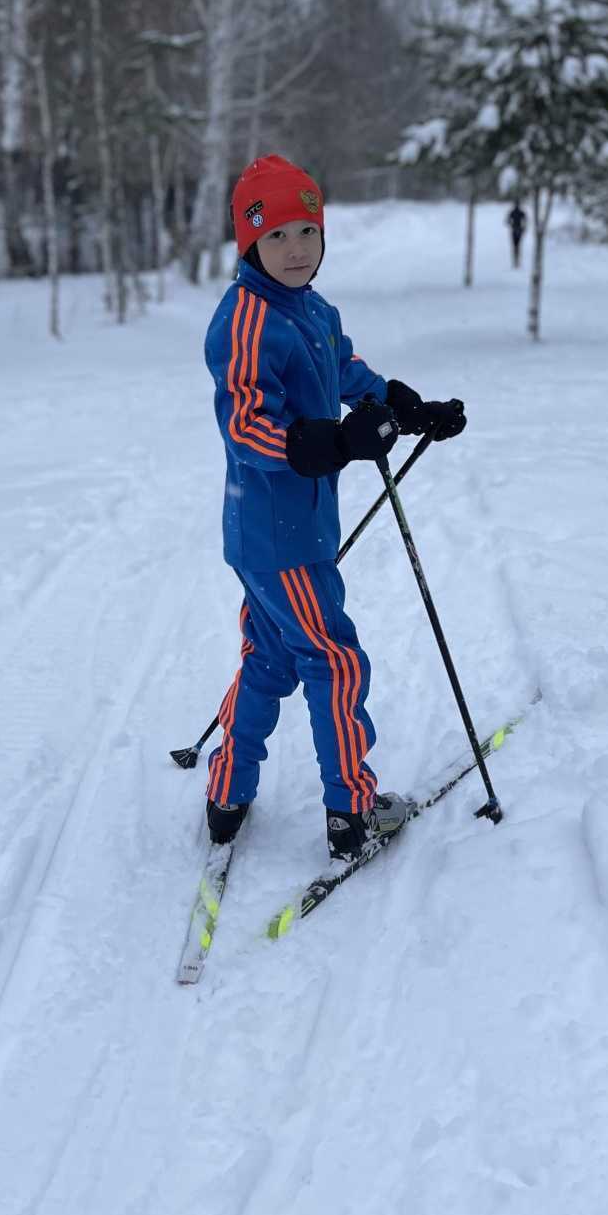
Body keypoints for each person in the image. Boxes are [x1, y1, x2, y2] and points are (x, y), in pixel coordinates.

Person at [203, 154, 466, 863]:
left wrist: (400, 405)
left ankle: (227, 793)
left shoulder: (311, 309)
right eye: (278, 235)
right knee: (334, 661)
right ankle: (352, 812)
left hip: (283, 533)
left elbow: (344, 370)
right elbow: (248, 425)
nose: (296, 249)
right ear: (250, 243)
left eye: (307, 232)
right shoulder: (246, 321)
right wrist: (336, 440)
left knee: (270, 661)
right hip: (278, 533)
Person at [507, 200, 527, 269]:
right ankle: (516, 262)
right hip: (517, 230)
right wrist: (523, 228)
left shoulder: (514, 212)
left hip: (516, 230)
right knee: (517, 246)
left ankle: (516, 261)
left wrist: (512, 225)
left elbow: (507, 221)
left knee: (516, 246)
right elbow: (525, 221)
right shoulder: (519, 212)